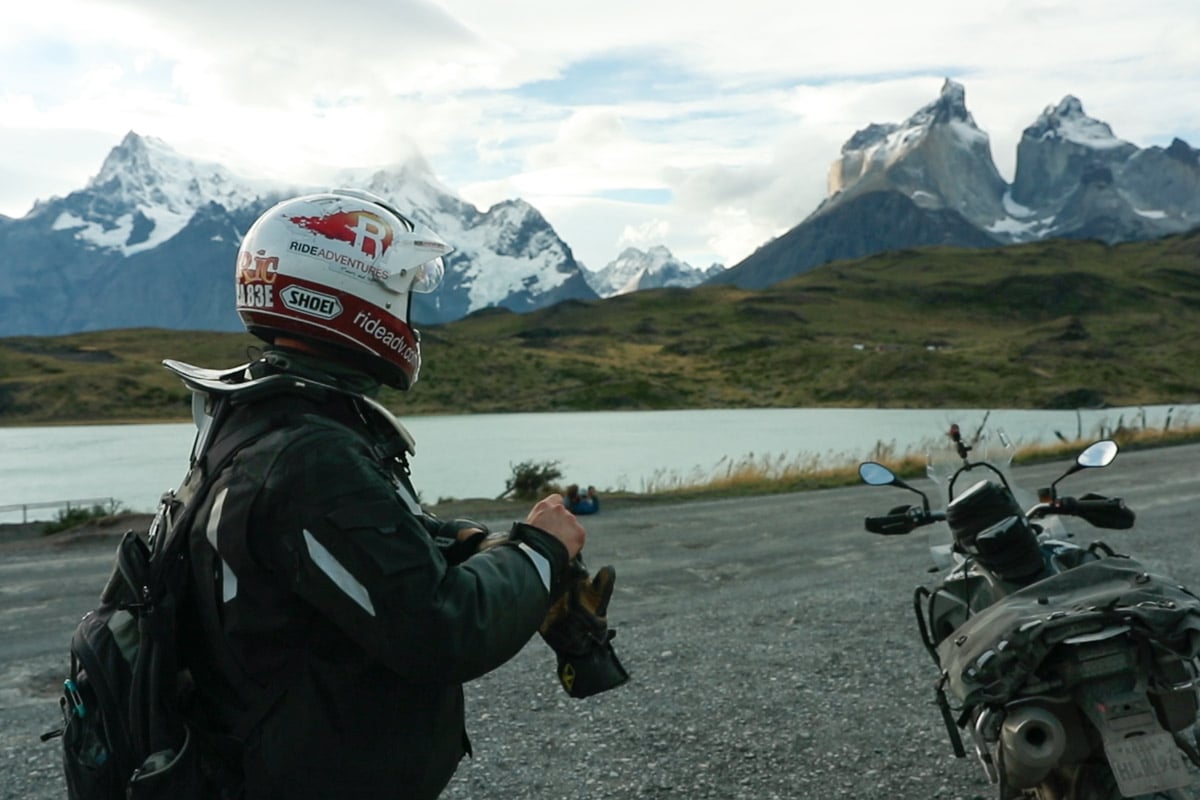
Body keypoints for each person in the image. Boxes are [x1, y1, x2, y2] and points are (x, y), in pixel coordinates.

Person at [169, 189, 623, 800]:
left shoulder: (264, 416)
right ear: (355, 291)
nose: (409, 318)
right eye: (404, 294)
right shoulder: (310, 457)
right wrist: (538, 555)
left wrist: (466, 543)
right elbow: (440, 631)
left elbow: (349, 545)